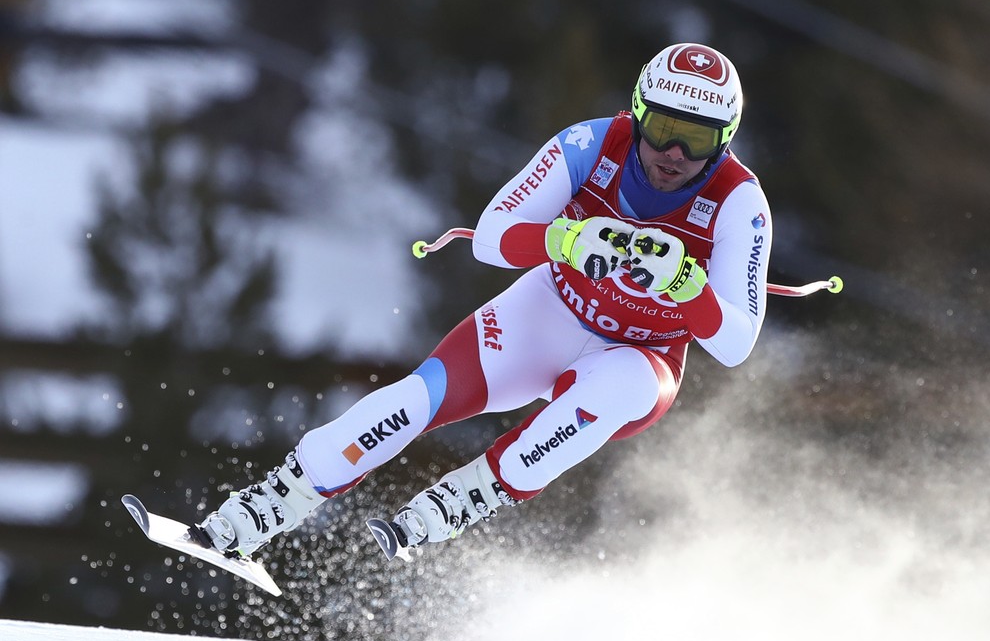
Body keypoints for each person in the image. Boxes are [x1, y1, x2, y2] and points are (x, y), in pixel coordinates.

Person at [191, 42, 772, 559]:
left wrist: (687, 286)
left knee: (614, 389)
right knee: (416, 399)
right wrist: (564, 239)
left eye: (695, 139)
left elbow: (735, 344)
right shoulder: (590, 143)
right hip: (550, 312)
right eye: (663, 128)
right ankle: (271, 503)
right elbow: (492, 236)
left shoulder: (741, 202)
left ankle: (472, 492)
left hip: (640, 354)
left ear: (724, 140)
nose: (673, 153)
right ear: (638, 114)